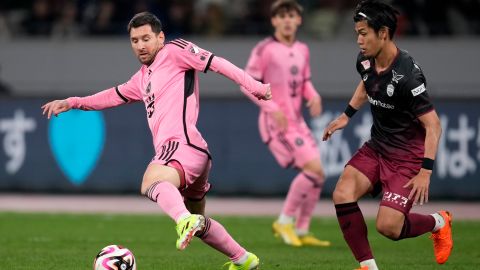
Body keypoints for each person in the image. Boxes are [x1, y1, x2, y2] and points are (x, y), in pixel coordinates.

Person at [42, 12, 271, 270]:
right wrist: (73, 102)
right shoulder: (142, 77)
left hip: (181, 146)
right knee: (199, 221)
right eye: (134, 40)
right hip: (195, 153)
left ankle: (184, 220)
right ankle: (244, 260)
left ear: (160, 38)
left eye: (146, 38)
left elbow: (217, 63)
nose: (140, 45)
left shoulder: (174, 51)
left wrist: (256, 86)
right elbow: (111, 96)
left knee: (151, 182)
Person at [322, 1, 452, 269]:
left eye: (363, 33)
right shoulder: (365, 60)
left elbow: (434, 125)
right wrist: (346, 115)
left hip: (406, 157)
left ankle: (439, 222)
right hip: (378, 146)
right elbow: (367, 83)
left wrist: (425, 171)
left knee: (389, 228)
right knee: (342, 193)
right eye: (357, 33)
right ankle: (368, 267)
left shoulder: (408, 77)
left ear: (383, 33)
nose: (358, 40)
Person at [242, 0, 330, 247]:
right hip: (275, 123)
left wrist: (313, 95)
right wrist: (271, 108)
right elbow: (246, 84)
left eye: (292, 15)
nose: (287, 20)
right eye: (282, 16)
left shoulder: (303, 49)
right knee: (312, 169)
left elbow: (304, 82)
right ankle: (284, 221)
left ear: (299, 20)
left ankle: (301, 230)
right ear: (274, 21)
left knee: (318, 174)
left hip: (297, 121)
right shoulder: (265, 49)